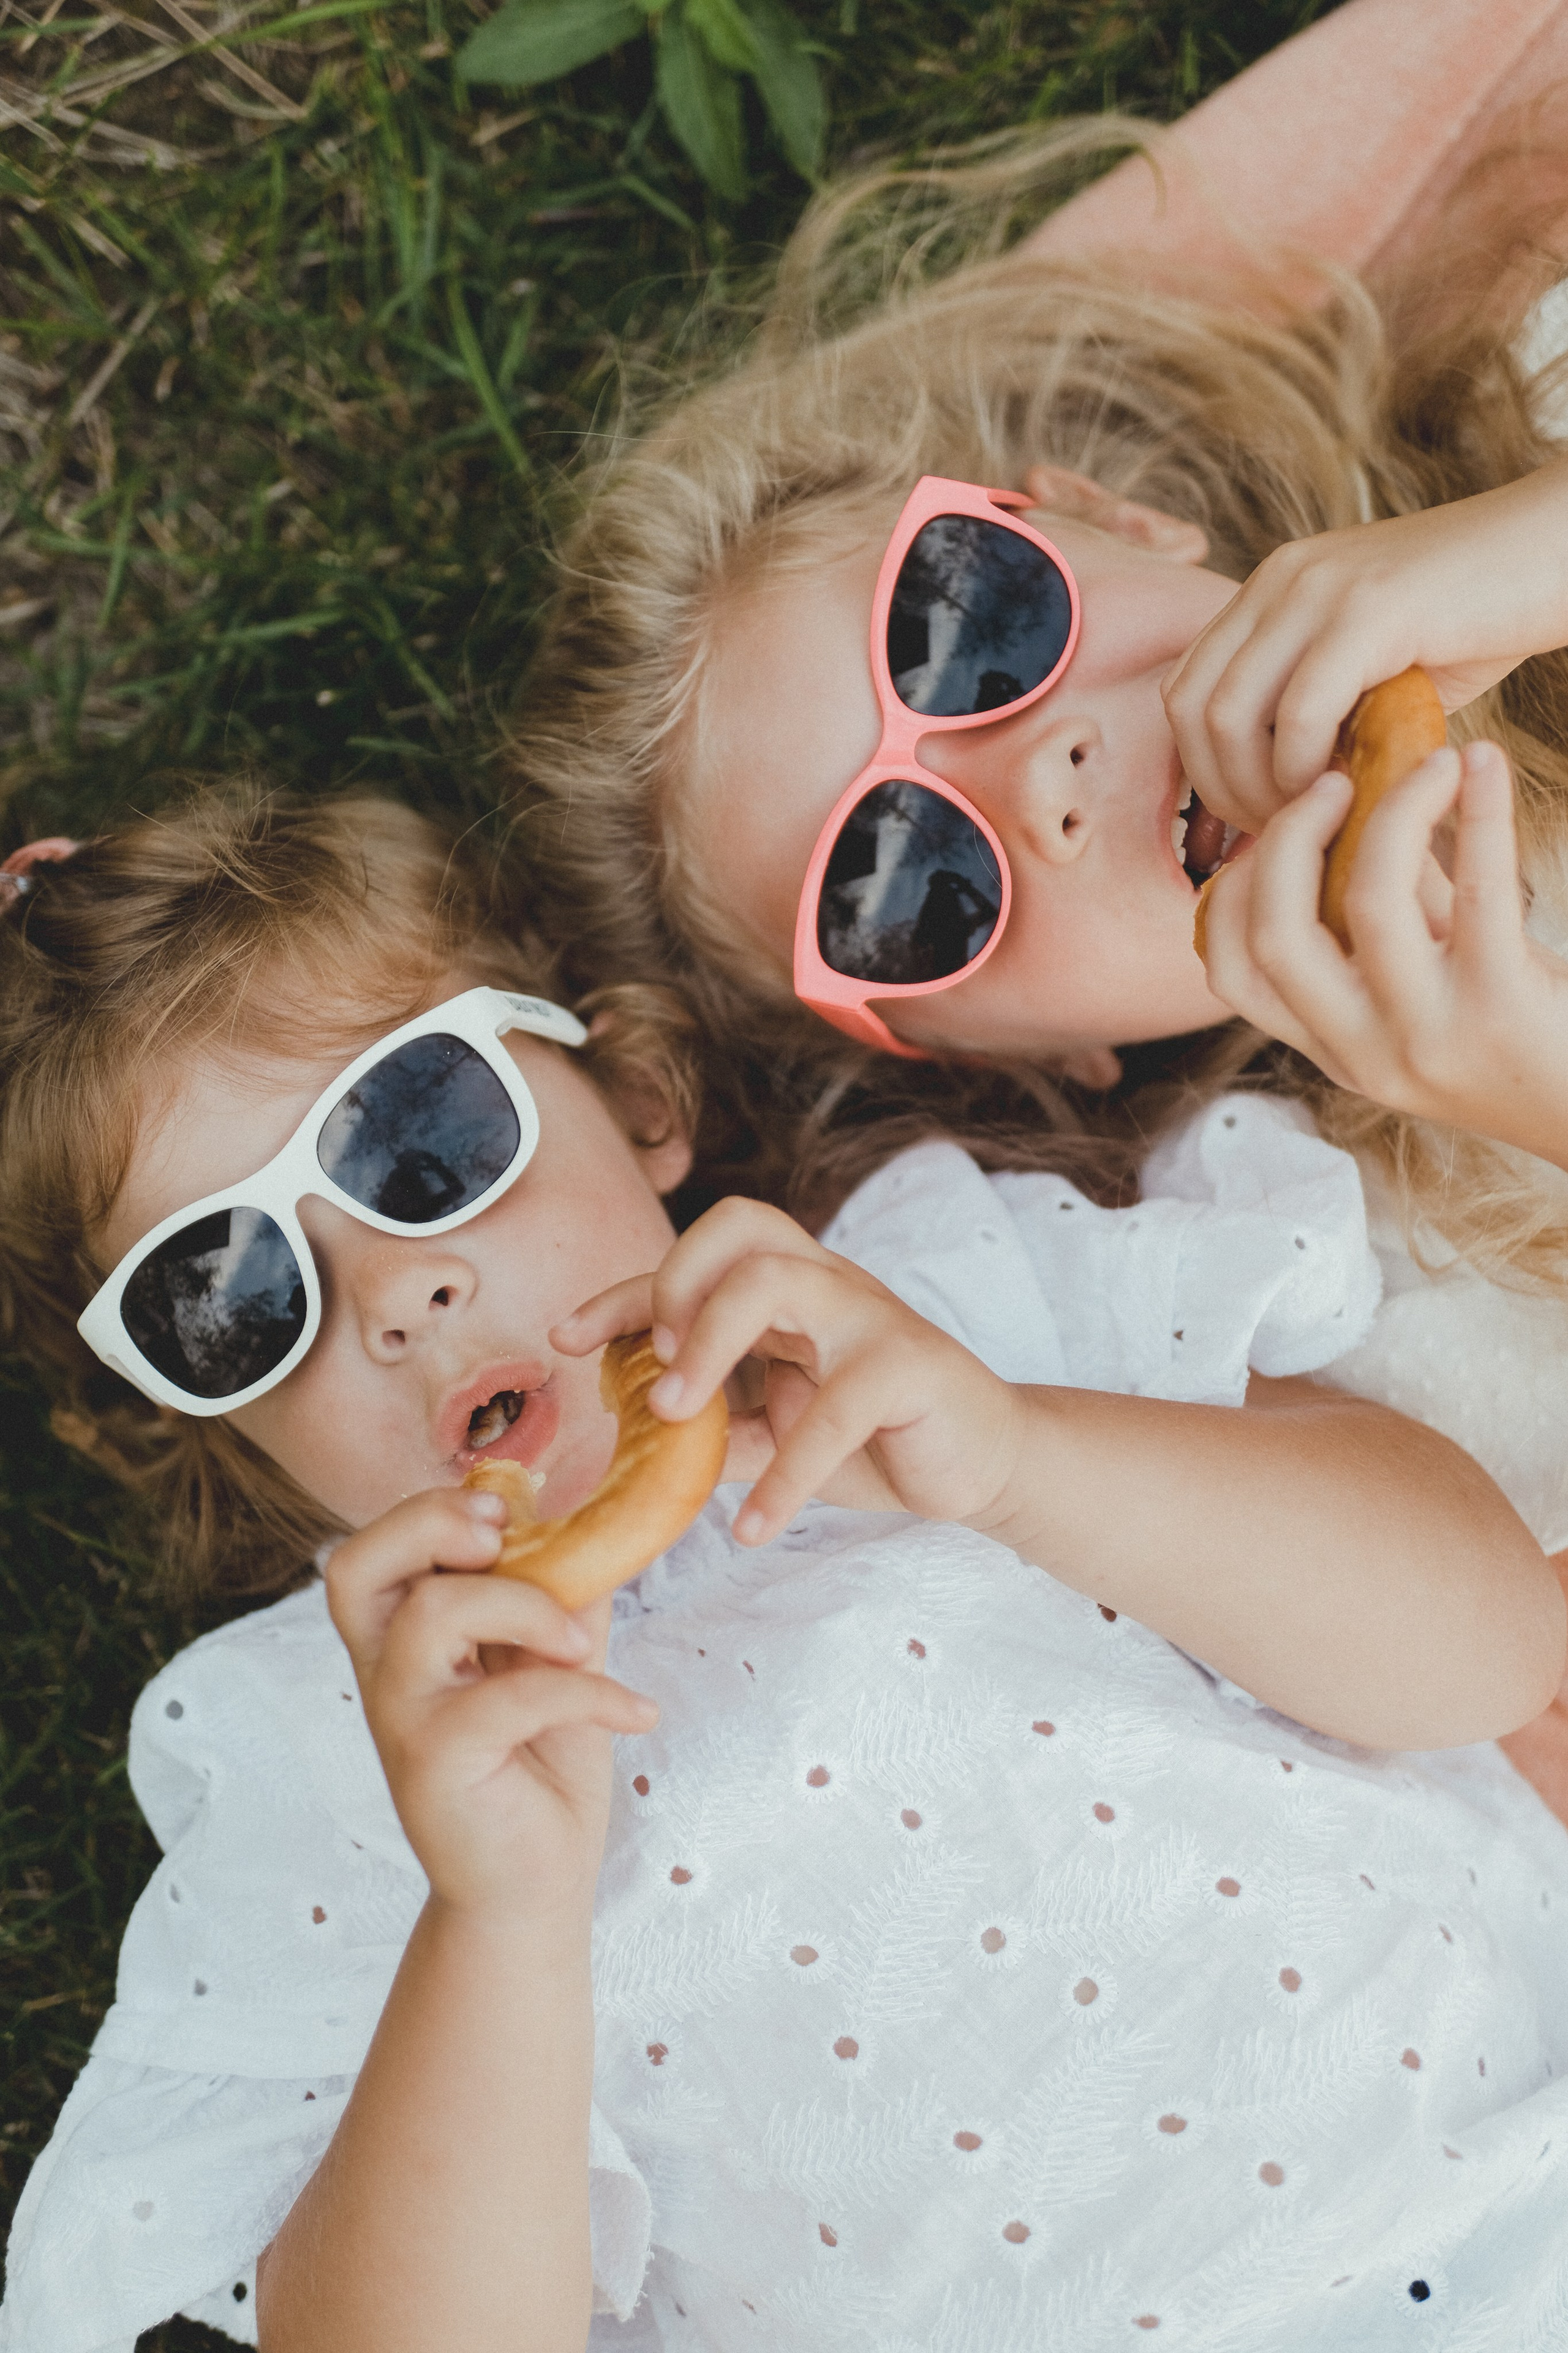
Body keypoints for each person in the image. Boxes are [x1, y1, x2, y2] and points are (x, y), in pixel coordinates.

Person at [1, 781, 1564, 2352]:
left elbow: (1489, 1649)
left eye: (421, 1137)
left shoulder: (954, 1301)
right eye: (228, 1295)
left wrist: (1020, 1459)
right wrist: (496, 1921)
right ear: (211, 1416)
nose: (394, 1298)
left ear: (635, 1094)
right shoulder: (320, 1756)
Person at [502, 6, 1568, 1806]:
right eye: (902, 886)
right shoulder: (1396, 1303)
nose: (1038, 778)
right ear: (1033, 1059)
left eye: (967, 622)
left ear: (1112, 520)